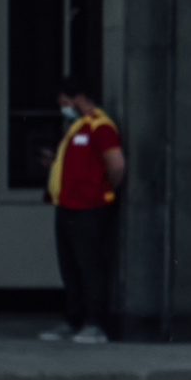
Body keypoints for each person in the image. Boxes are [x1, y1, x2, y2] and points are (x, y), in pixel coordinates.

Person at [41, 83, 124, 344]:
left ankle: (96, 324)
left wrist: (101, 191)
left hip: (89, 209)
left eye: (65, 102)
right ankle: (74, 320)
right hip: (67, 207)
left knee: (91, 268)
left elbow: (116, 164)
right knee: (71, 268)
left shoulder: (100, 126)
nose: (63, 108)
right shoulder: (78, 127)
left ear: (79, 98)